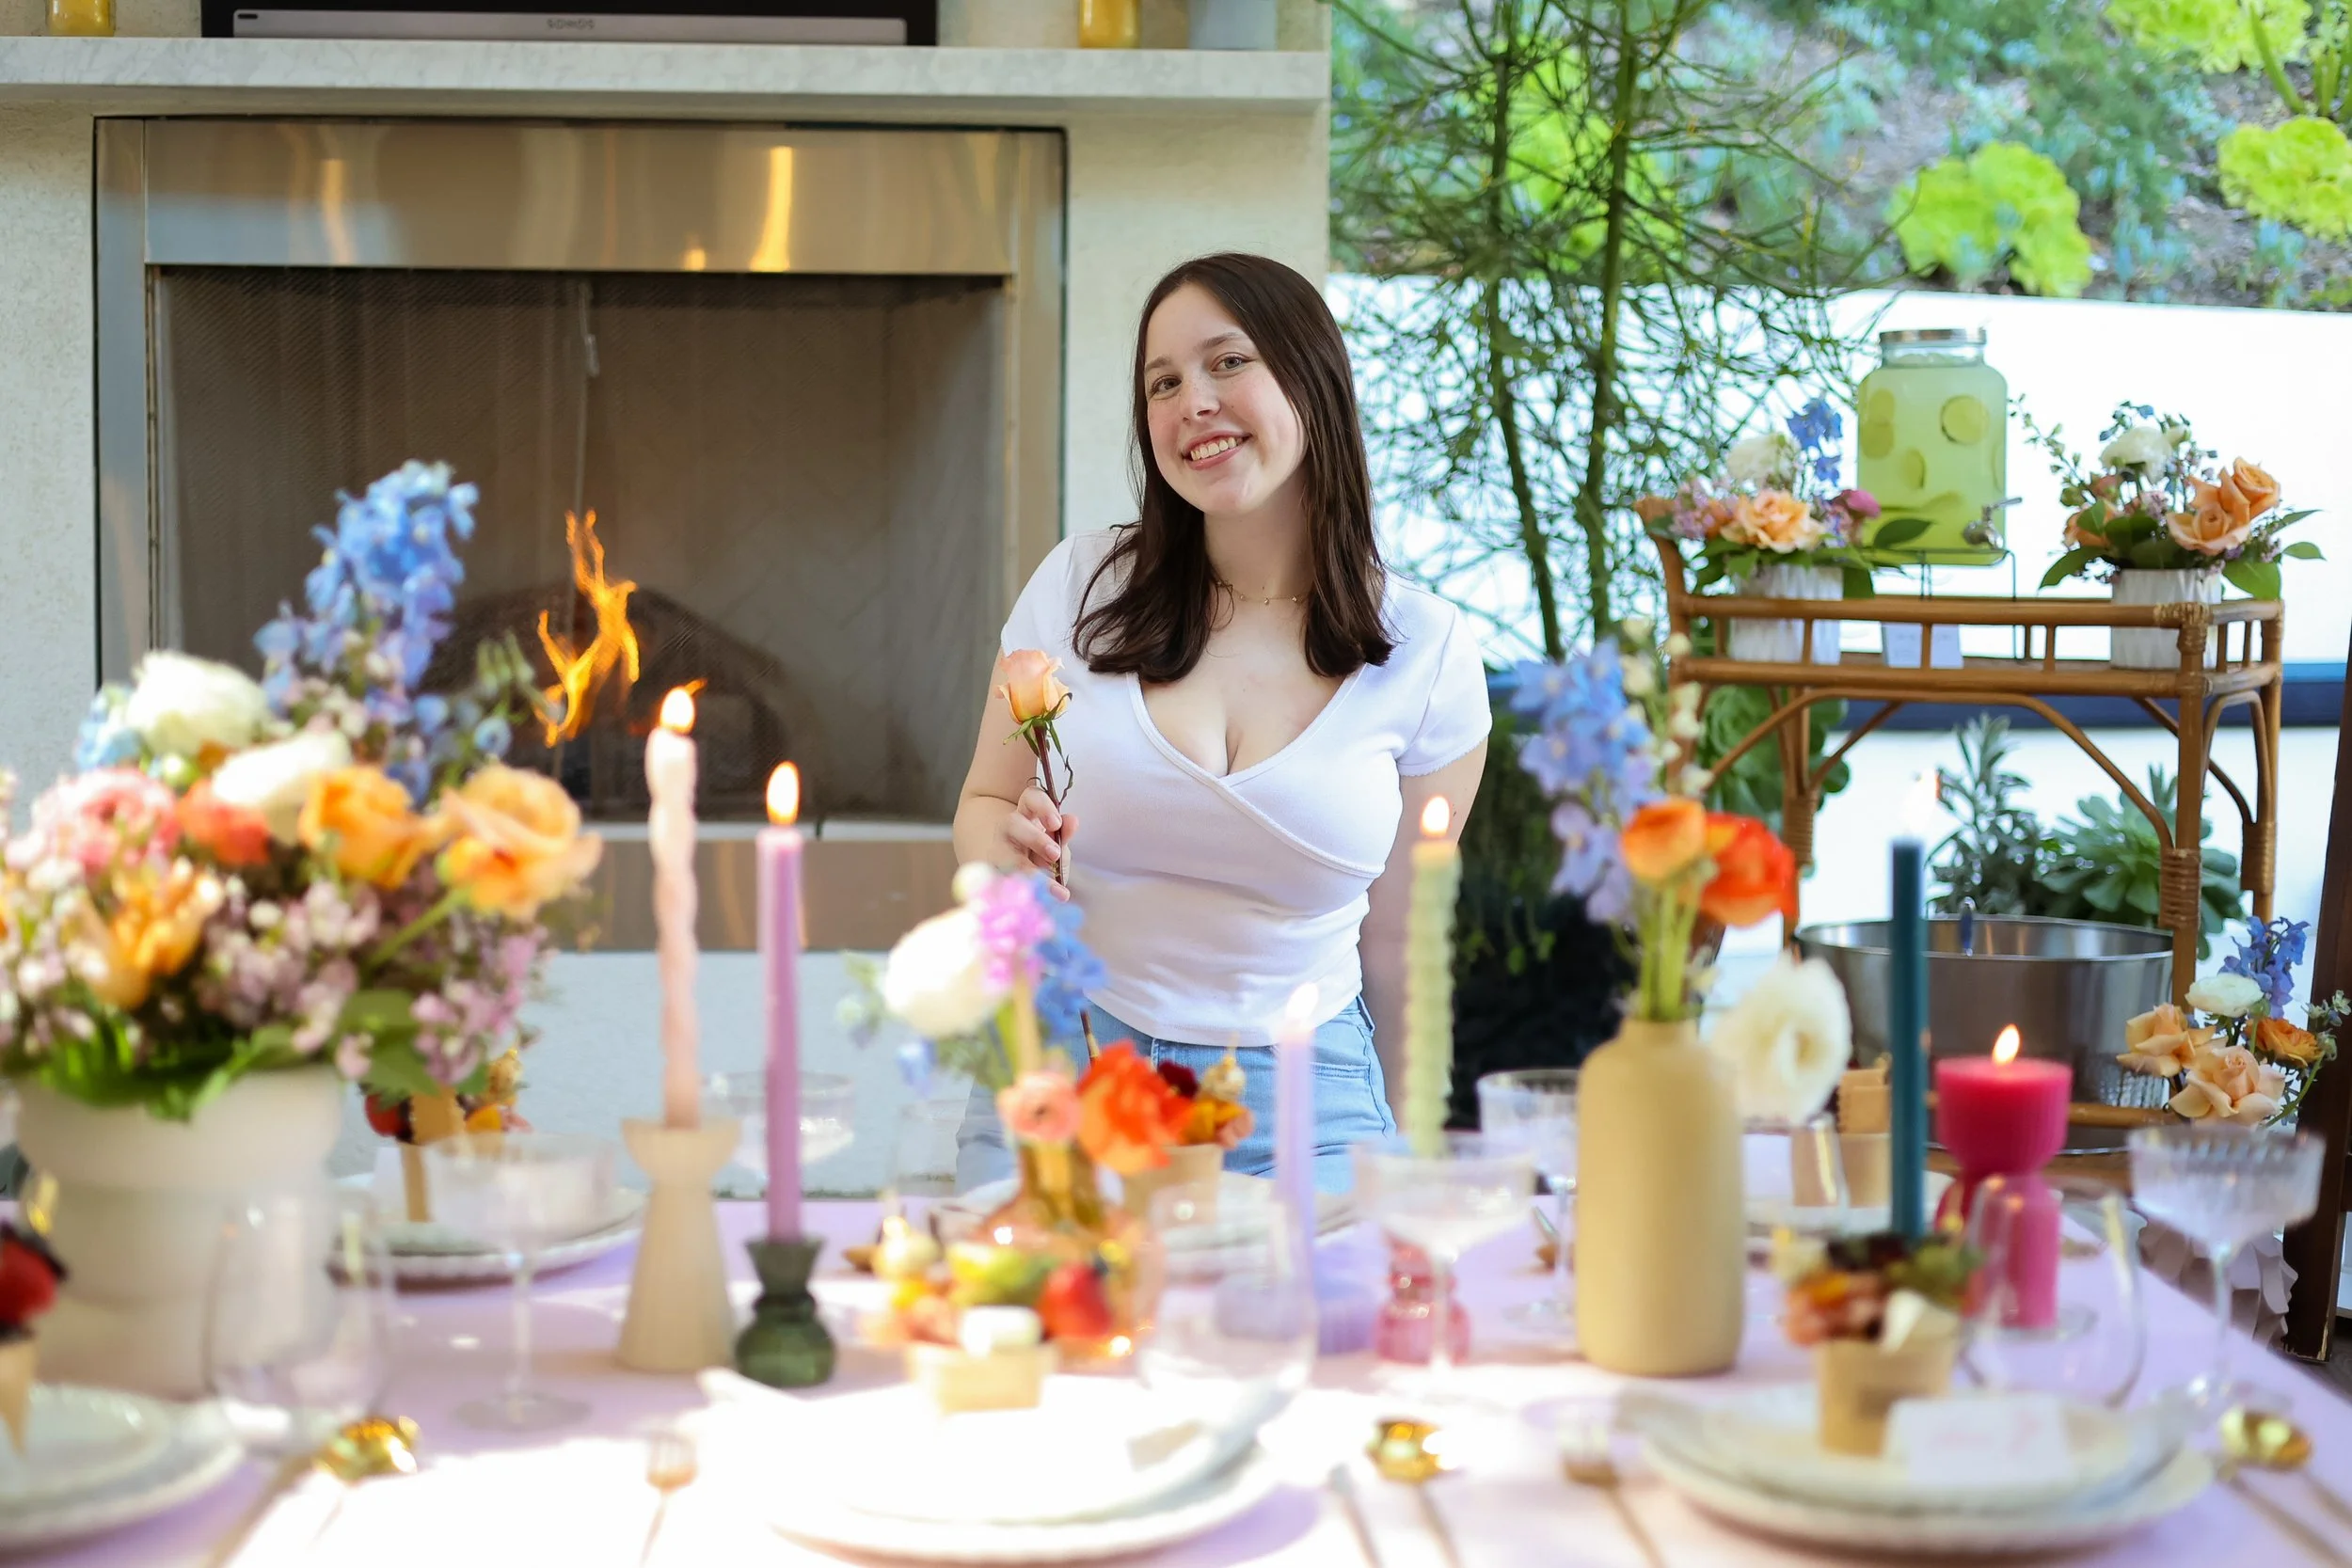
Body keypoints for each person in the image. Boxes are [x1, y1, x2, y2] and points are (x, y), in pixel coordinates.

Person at [950, 253, 1489, 1193]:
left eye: (1226, 362)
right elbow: (984, 803)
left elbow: (1404, 948)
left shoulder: (1428, 653)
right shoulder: (1077, 588)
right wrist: (1004, 849)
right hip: (1073, 1059)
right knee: (1029, 1322)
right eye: (1162, 382)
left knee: (1319, 1329)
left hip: (1306, 1090)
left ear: (1312, 379)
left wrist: (1415, 1159)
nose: (1190, 399)